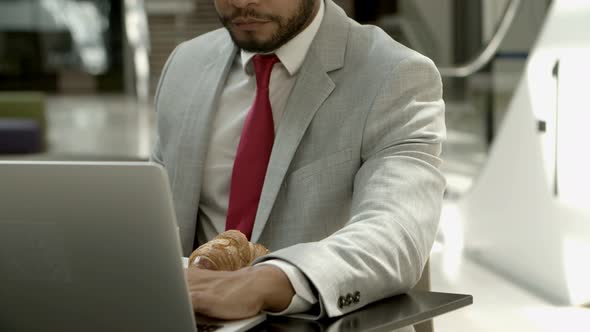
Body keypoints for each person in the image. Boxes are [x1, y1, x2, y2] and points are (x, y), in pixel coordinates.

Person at [151, 0, 446, 320]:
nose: (241, 2)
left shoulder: (394, 74)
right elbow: (152, 211)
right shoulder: (186, 63)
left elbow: (397, 232)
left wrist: (267, 281)